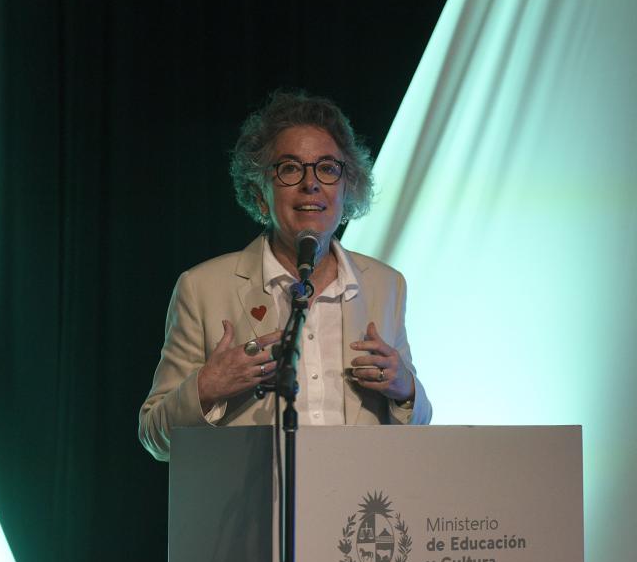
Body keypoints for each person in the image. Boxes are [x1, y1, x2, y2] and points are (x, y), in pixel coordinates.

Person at [139, 90, 431, 462]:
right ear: (261, 193)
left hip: (354, 509)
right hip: (253, 511)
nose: (311, 183)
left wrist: (405, 389)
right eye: (291, 168)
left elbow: (418, 429)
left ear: (347, 189)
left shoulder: (385, 285)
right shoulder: (203, 289)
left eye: (327, 168)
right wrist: (206, 388)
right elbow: (155, 438)